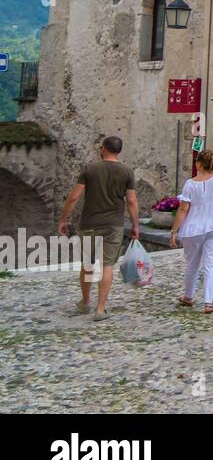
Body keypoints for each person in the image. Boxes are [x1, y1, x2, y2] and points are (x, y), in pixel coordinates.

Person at [57, 135, 139, 322]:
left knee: (87, 264)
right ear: (119, 151)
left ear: (103, 149)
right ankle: (100, 309)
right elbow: (132, 201)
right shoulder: (127, 172)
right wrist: (135, 224)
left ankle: (85, 302)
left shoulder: (89, 169)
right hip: (113, 225)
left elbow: (73, 197)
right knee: (107, 265)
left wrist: (63, 219)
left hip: (89, 224)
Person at [170, 150, 213, 313]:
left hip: (194, 228)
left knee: (192, 264)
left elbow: (183, 210)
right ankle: (208, 302)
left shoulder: (190, 184)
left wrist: (174, 231)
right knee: (212, 265)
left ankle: (188, 296)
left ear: (199, 164)